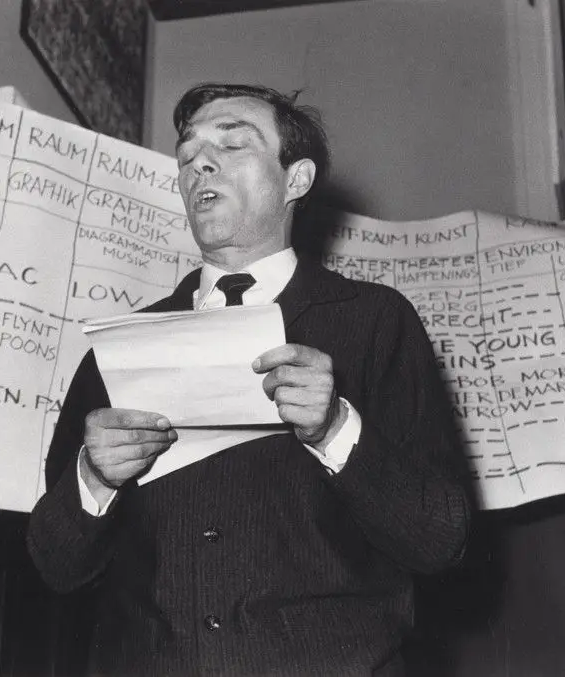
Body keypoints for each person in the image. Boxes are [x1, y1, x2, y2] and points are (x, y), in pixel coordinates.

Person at [27, 83, 471, 676]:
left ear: (297, 180)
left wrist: (337, 429)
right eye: (187, 157)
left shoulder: (374, 321)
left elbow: (440, 540)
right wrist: (93, 478)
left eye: (232, 145)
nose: (199, 163)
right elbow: (55, 566)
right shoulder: (122, 348)